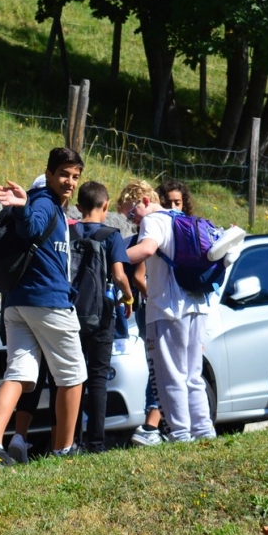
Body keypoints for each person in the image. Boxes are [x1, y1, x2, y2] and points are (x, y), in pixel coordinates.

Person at [0, 147, 88, 467]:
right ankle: (64, 451)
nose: (69, 182)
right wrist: (23, 208)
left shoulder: (53, 205)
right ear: (49, 174)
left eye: (75, 177)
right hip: (47, 302)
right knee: (73, 376)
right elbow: (33, 227)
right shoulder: (44, 202)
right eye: (64, 174)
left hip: (17, 304)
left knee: (20, 374)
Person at [119, 180, 216, 442]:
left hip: (167, 309)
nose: (132, 220)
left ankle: (180, 434)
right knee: (193, 375)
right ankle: (204, 431)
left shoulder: (153, 221)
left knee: (169, 376)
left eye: (131, 212)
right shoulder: (181, 218)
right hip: (197, 305)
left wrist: (113, 256)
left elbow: (148, 249)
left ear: (145, 201)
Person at [72, 181, 134, 453]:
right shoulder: (111, 234)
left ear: (78, 207)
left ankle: (68, 441)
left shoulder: (67, 231)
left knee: (70, 378)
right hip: (101, 315)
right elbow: (119, 275)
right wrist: (129, 297)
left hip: (68, 314)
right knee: (97, 378)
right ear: (106, 206)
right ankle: (96, 443)